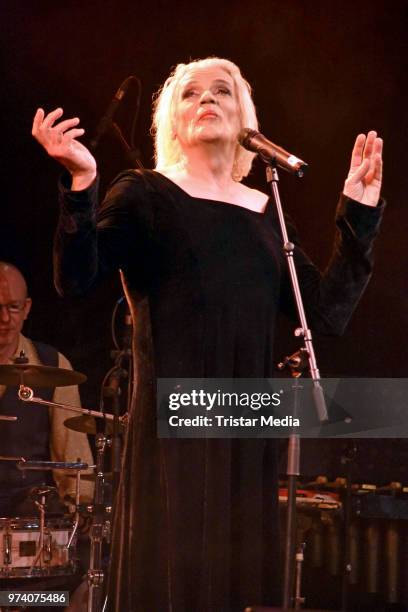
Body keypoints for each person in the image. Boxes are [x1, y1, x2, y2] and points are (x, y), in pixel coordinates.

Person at [32, 57, 384, 611]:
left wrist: (358, 215)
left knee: (240, 579)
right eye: (191, 93)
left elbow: (324, 312)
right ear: (172, 121)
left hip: (245, 430)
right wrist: (81, 183)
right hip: (174, 436)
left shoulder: (267, 213)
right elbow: (76, 278)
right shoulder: (146, 193)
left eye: (222, 91)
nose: (207, 100)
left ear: (246, 119)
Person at [0, 261, 94, 516]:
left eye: (13, 307)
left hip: (27, 516)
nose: (5, 319)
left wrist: (80, 503)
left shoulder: (53, 366)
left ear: (27, 308)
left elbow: (74, 460)